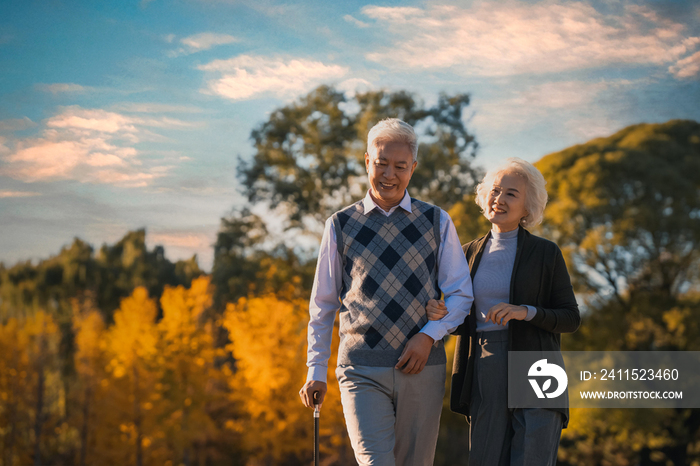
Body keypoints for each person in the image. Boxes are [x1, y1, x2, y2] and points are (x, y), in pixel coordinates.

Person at [299, 118, 474, 466]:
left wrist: (428, 336)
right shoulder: (340, 225)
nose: (389, 174)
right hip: (360, 368)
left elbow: (461, 295)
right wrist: (315, 369)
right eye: (381, 163)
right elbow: (322, 305)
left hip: (422, 369)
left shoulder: (437, 221)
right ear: (367, 161)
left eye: (400, 166)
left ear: (413, 168)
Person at [427, 157, 580, 466]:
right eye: (495, 190)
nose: (499, 199)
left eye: (511, 193)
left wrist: (526, 311)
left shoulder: (546, 252)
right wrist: (440, 314)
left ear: (528, 207)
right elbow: (461, 320)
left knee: (532, 458)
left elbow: (570, 317)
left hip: (538, 363)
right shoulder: (466, 252)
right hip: (484, 362)